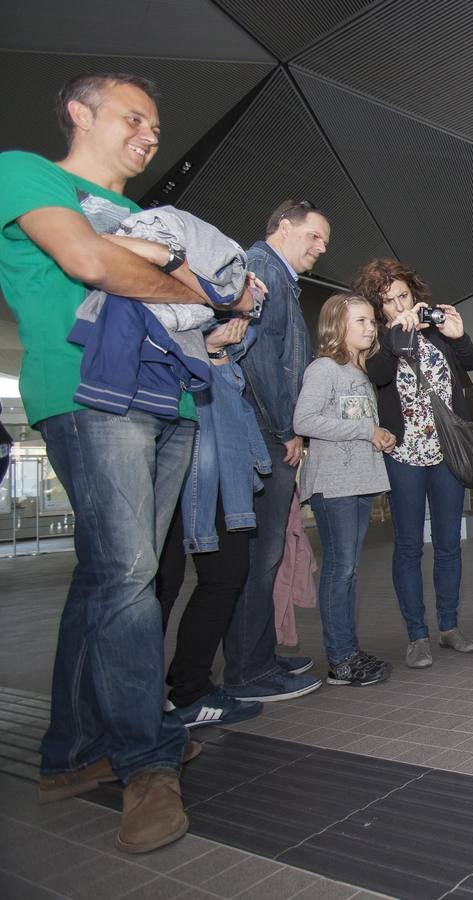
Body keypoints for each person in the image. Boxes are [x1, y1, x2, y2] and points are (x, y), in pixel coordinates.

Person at [0, 72, 254, 851]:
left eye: (154, 122)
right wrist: (197, 292)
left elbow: (208, 306)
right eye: (133, 117)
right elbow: (89, 263)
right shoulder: (26, 171)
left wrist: (205, 305)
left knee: (108, 574)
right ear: (79, 112)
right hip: (88, 394)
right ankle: (147, 761)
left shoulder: (151, 218)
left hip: (174, 400)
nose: (149, 133)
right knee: (129, 576)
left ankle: (72, 753)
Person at [224, 199, 331, 704]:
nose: (321, 248)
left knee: (264, 555)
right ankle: (249, 670)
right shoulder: (264, 269)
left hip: (266, 431)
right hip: (267, 434)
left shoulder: (276, 277)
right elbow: (262, 360)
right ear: (283, 227)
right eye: (314, 237)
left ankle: (259, 655)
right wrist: (288, 430)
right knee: (260, 556)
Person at [355, 259, 473, 669]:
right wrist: (395, 333)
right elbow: (376, 376)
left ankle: (449, 626)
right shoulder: (377, 340)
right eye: (388, 302)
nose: (398, 305)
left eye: (403, 297)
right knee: (408, 547)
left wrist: (458, 336)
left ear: (415, 293)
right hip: (404, 456)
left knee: (448, 545)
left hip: (447, 453)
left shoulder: (436, 329)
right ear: (379, 307)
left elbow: (471, 362)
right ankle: (416, 635)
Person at [155, 316, 265, 730]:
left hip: (211, 464)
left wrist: (216, 348)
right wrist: (209, 346)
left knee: (217, 577)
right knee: (164, 584)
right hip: (182, 451)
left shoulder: (226, 355)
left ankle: (186, 686)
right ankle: (169, 695)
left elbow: (243, 335)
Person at [293, 294, 394, 686]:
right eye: (360, 322)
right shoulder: (324, 369)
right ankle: (340, 658)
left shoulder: (359, 373)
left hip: (359, 483)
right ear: (337, 326)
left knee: (349, 571)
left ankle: (347, 650)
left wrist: (377, 436)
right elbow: (305, 420)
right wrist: (365, 430)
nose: (370, 328)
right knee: (341, 570)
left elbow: (354, 424)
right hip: (334, 485)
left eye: (372, 321)